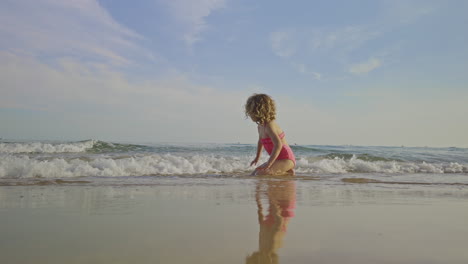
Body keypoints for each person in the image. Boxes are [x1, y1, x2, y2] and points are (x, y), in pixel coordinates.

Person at [245, 94, 296, 176]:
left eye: (250, 112)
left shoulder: (269, 125)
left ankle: (286, 172)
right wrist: (257, 158)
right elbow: (260, 142)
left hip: (286, 159)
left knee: (260, 174)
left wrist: (269, 164)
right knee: (254, 173)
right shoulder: (260, 126)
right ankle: (287, 173)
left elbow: (278, 145)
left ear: (258, 111)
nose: (249, 115)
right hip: (277, 159)